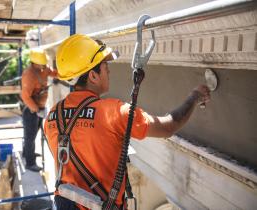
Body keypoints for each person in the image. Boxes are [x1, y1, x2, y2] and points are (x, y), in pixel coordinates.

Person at [44, 34, 210, 209]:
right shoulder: (114, 112)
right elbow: (168, 126)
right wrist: (195, 98)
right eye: (105, 65)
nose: (108, 70)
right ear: (93, 76)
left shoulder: (53, 116)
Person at [21, 48, 57, 172]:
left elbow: (52, 72)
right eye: (41, 64)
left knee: (33, 134)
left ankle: (27, 154)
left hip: (39, 108)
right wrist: (36, 109)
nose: (44, 66)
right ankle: (30, 163)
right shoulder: (29, 75)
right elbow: (25, 96)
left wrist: (61, 75)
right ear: (34, 63)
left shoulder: (43, 69)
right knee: (30, 137)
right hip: (31, 110)